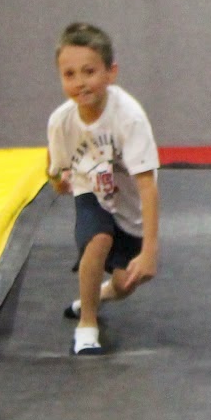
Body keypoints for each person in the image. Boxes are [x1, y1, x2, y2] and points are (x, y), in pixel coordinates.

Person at [47, 22, 161, 355]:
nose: (80, 82)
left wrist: (150, 251)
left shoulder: (129, 117)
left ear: (111, 73)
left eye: (89, 71)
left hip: (128, 204)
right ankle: (87, 326)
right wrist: (58, 180)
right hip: (90, 190)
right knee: (98, 239)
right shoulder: (61, 121)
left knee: (126, 283)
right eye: (69, 74)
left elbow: (147, 186)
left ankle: (95, 297)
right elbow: (55, 168)